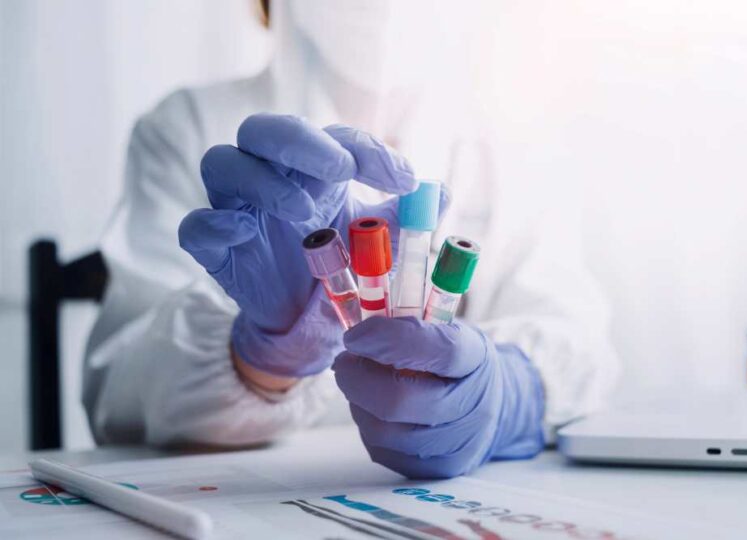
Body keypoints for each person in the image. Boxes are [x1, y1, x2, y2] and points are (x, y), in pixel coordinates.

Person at [82, 0, 619, 479]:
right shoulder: (189, 125)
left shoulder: (512, 136)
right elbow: (115, 399)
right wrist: (267, 351)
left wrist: (508, 392)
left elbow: (582, 341)